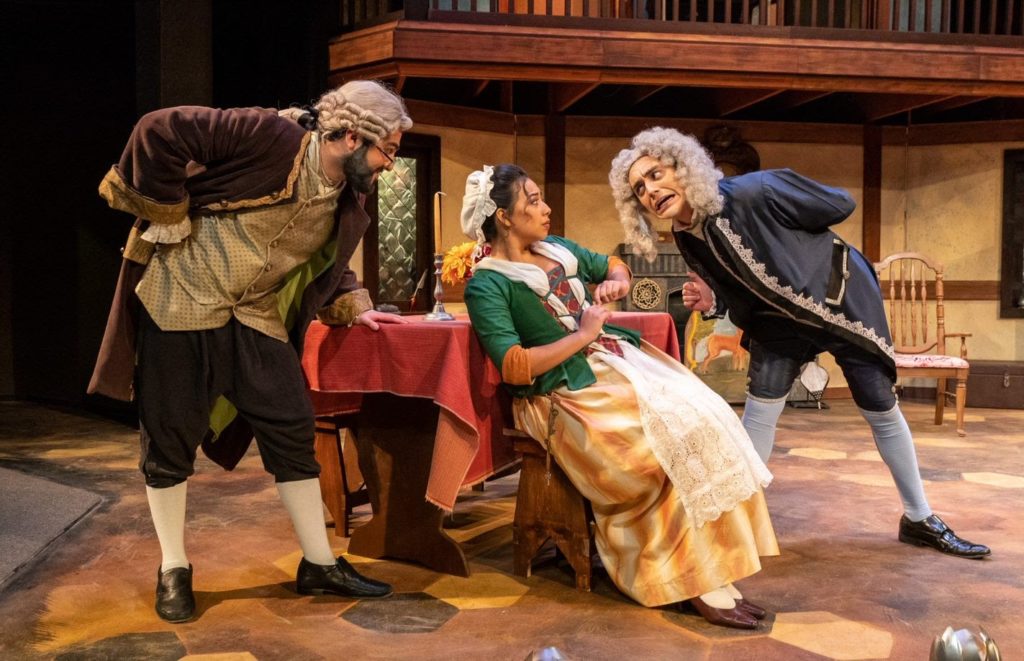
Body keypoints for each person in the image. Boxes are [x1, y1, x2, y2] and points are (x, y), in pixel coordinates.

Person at [88, 80, 412, 623]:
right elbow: (158, 128)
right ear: (353, 135)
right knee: (169, 438)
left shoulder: (348, 192)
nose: (388, 166)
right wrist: (168, 210)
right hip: (182, 297)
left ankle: (318, 563)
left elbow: (330, 259)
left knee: (290, 426)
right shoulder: (272, 134)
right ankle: (174, 568)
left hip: (253, 314)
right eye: (388, 152)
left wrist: (354, 302)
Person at [609, 127, 990, 560]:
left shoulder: (756, 189)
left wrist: (805, 256)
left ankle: (919, 518)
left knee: (879, 407)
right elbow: (736, 290)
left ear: (681, 166)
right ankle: (737, 525)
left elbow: (838, 204)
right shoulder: (685, 234)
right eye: (639, 188)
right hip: (779, 324)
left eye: (656, 174)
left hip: (840, 303)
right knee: (759, 412)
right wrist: (714, 301)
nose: (651, 190)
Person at [461, 164, 779, 630]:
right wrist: (584, 333)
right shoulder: (486, 283)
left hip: (612, 364)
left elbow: (614, 265)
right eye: (532, 200)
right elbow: (513, 366)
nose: (545, 208)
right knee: (659, 448)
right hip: (559, 395)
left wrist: (618, 282)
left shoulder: (558, 249)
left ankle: (719, 568)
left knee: (707, 417)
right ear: (504, 217)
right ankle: (686, 579)